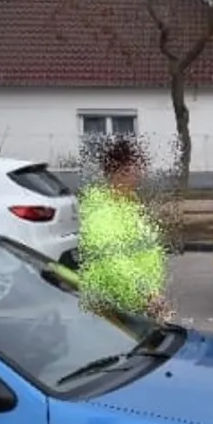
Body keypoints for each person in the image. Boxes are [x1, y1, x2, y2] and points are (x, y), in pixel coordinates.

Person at [75, 135, 172, 320]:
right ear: (120, 172)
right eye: (136, 168)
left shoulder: (128, 205)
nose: (141, 174)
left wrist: (152, 292)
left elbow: (143, 251)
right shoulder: (101, 211)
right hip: (112, 307)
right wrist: (147, 295)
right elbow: (113, 262)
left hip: (135, 304)